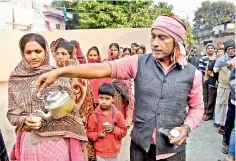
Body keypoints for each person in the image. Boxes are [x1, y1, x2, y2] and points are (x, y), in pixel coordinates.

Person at [36, 14, 204, 161]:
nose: (154, 43)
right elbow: (100, 68)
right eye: (153, 37)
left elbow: (197, 108)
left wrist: (186, 128)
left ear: (176, 41)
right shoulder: (138, 62)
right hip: (140, 147)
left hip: (172, 153)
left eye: (162, 38)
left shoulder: (193, 74)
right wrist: (60, 72)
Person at [7, 33, 88, 161]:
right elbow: (12, 114)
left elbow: (71, 112)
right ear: (23, 54)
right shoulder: (16, 79)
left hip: (57, 142)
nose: (33, 56)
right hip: (30, 141)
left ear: (46, 51)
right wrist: (24, 120)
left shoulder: (58, 76)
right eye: (28, 52)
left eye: (38, 51)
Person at [87, 83, 127, 161]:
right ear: (98, 97)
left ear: (113, 98)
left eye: (107, 98)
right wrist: (97, 135)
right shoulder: (94, 115)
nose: (103, 101)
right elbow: (89, 133)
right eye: (101, 98)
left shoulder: (118, 115)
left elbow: (124, 131)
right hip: (100, 154)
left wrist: (114, 129)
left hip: (115, 153)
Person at [213, 44, 233, 134]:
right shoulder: (221, 60)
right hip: (222, 86)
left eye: (233, 48)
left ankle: (226, 124)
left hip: (232, 88)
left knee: (229, 107)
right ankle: (219, 122)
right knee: (220, 104)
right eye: (229, 49)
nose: (231, 50)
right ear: (226, 50)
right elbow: (215, 70)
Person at [199, 43, 216, 110]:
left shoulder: (216, 58)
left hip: (214, 79)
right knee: (205, 95)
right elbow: (200, 69)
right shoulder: (203, 58)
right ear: (206, 50)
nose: (210, 49)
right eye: (208, 48)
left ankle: (211, 109)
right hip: (205, 78)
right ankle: (204, 109)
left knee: (212, 95)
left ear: (214, 49)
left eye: (212, 48)